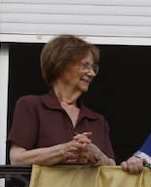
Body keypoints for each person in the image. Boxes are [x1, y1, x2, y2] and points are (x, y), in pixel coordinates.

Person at [8, 35, 116, 166]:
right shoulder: (32, 105)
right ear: (61, 65)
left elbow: (112, 169)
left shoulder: (97, 120)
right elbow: (17, 159)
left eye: (93, 67)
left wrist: (97, 155)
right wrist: (63, 151)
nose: (92, 73)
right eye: (85, 66)